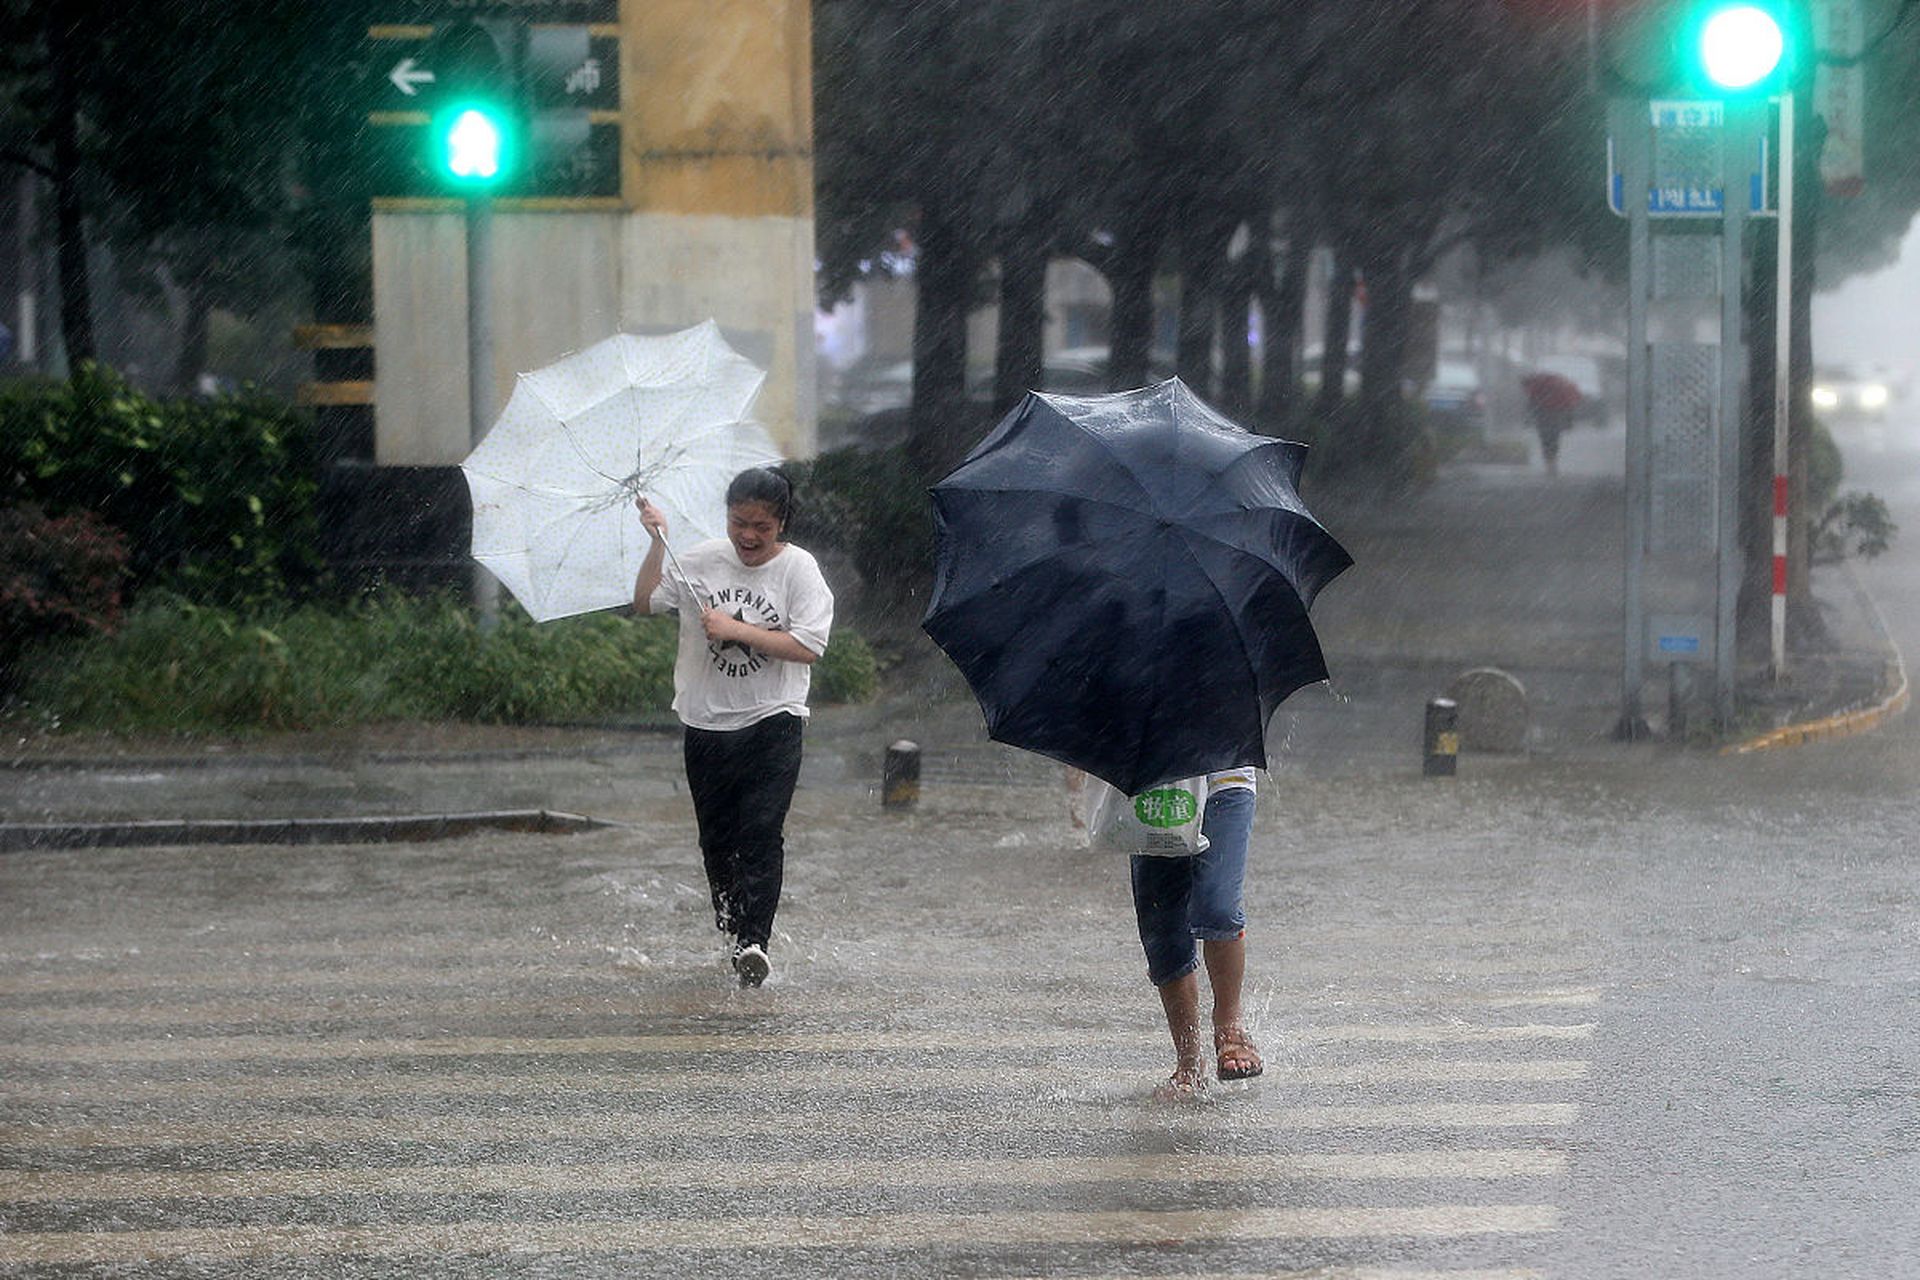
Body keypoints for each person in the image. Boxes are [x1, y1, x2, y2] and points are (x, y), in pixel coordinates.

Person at [632, 467, 834, 988]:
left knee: (761, 832)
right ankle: (732, 932)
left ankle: (754, 943)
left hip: (774, 718)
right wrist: (658, 544)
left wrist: (737, 629)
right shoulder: (698, 559)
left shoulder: (799, 571)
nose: (747, 535)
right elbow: (645, 602)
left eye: (761, 527)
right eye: (739, 522)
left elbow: (808, 646)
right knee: (716, 841)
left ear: (781, 524)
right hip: (705, 722)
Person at [1129, 766, 1263, 1099]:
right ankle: (1188, 1062)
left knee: (1218, 906)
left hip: (1226, 780)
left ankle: (1230, 1030)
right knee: (1162, 931)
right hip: (1154, 786)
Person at [1520, 371, 1582, 477]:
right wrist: (1568, 420)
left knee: (1545, 439)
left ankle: (1549, 464)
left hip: (1543, 415)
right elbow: (1569, 403)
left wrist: (1529, 417)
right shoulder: (1557, 383)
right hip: (1556, 415)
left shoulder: (1535, 386)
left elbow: (1531, 402)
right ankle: (1553, 462)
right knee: (1554, 438)